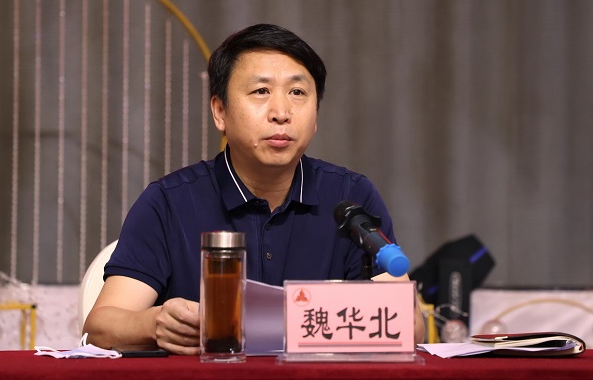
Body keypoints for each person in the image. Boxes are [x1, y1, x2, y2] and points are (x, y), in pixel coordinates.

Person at [83, 23, 425, 354]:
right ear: (220, 112)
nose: (281, 112)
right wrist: (153, 323)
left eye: (297, 93)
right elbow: (100, 328)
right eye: (261, 91)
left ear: (316, 115)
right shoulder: (169, 202)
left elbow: (408, 325)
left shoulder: (350, 198)